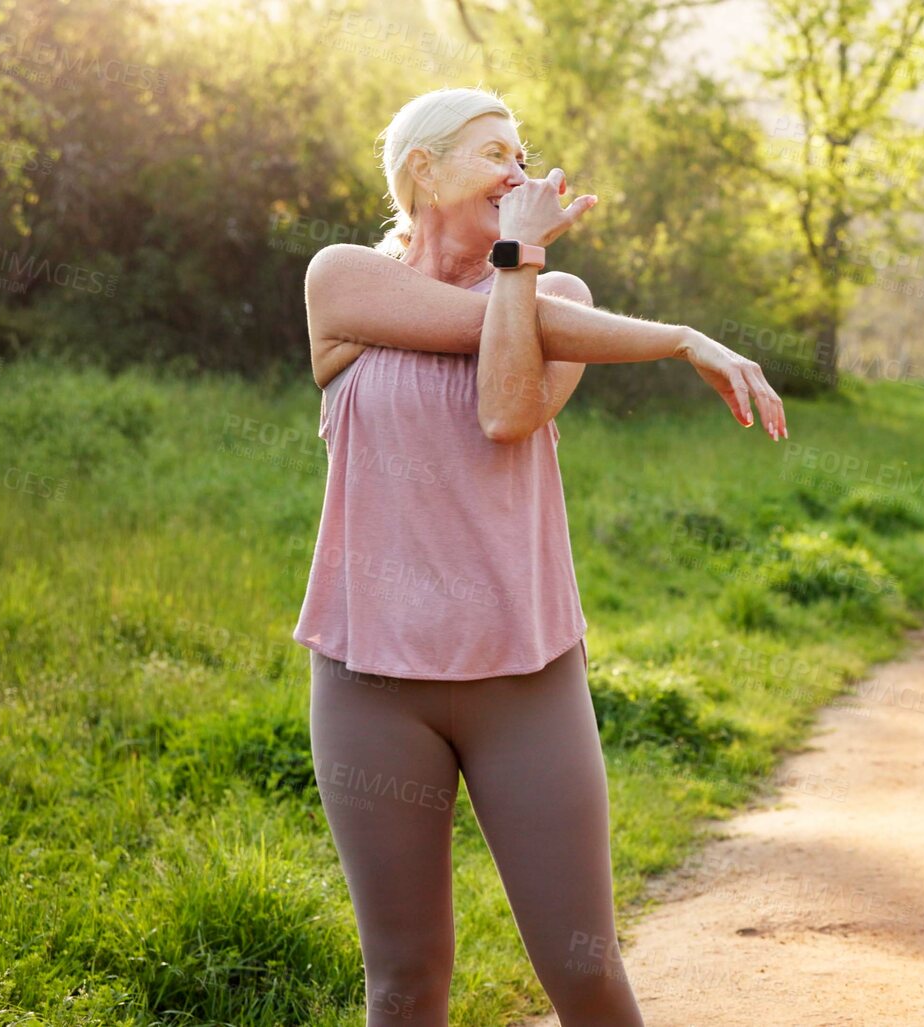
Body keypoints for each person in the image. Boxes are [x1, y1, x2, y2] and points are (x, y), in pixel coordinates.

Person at [291, 86, 787, 1027]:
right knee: (402, 982)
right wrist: (679, 338)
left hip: (524, 678)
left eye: (524, 155)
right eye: (495, 154)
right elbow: (476, 333)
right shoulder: (343, 279)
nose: (519, 173)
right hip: (367, 680)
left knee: (585, 973)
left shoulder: (554, 296)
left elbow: (506, 407)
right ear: (422, 171)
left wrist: (522, 262)